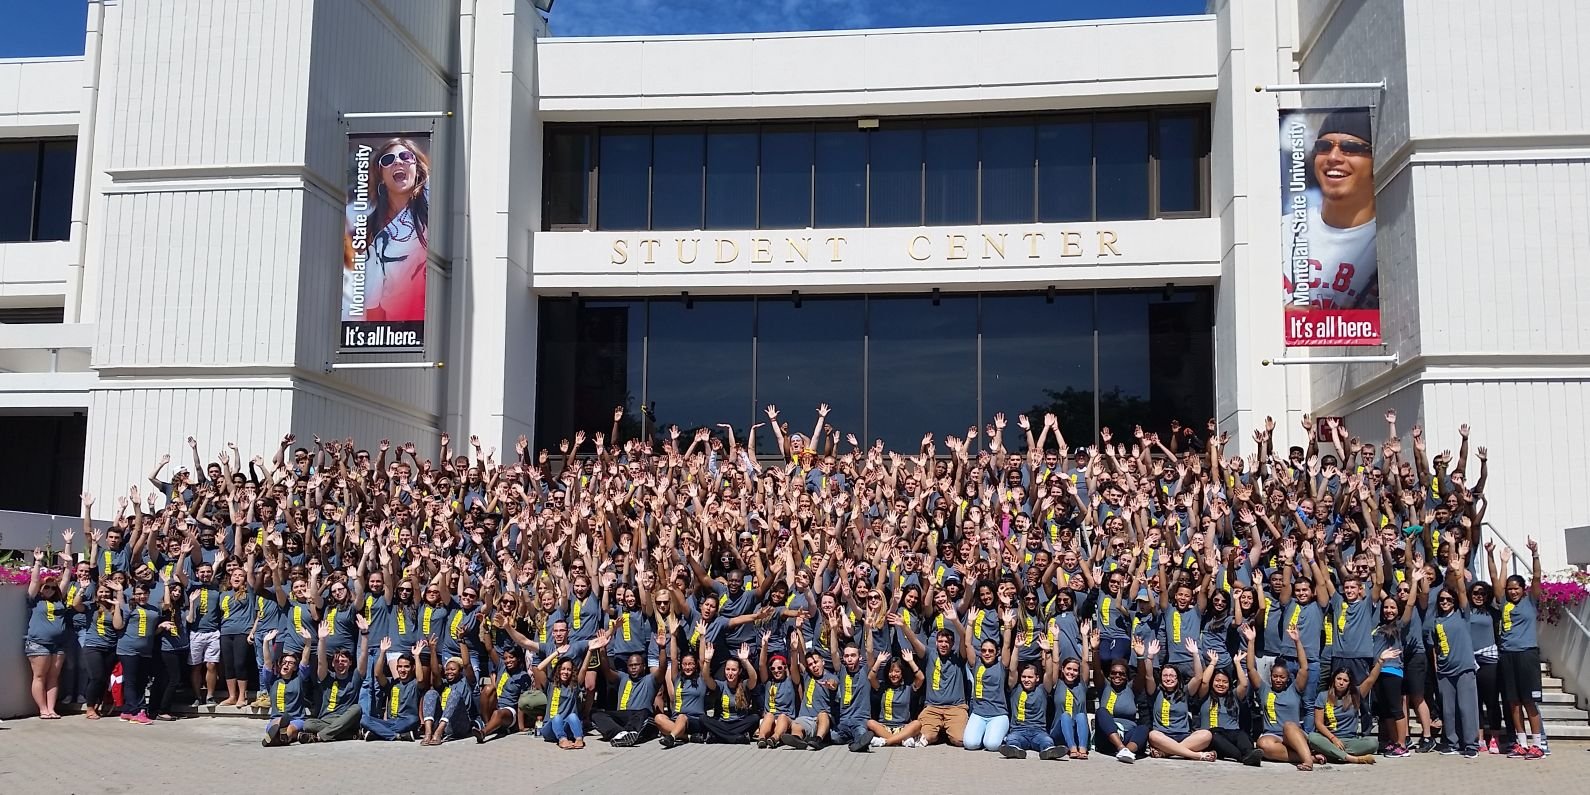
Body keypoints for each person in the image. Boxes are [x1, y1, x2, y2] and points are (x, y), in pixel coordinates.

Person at [1492, 536, 1547, 758]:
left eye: (1516, 589)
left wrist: (1535, 554)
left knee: (1528, 701)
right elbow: (1496, 581)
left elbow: (1536, 577)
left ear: (1523, 589)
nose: (1512, 592)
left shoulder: (1531, 601)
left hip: (1527, 655)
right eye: (1510, 589)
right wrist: (1501, 561)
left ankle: (1538, 745)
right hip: (1507, 655)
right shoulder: (1504, 603)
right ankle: (1521, 744)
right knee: (1513, 702)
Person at [1308, 648, 1399, 764]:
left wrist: (1380, 661)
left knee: (1373, 743)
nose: (1341, 682)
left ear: (1349, 683)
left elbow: (1370, 680)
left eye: (1345, 680)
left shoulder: (1356, 694)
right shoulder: (1323, 696)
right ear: (1334, 679)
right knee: (1312, 737)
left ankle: (1332, 754)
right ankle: (1350, 758)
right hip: (1329, 739)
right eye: (1339, 679)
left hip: (1350, 741)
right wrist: (1333, 738)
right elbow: (1319, 723)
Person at [1246, 624, 1314, 770]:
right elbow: (1251, 669)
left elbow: (1304, 668)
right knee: (1262, 744)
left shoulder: (1294, 689)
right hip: (1273, 737)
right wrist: (1251, 642)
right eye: (1275, 676)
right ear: (1270, 677)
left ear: (1287, 678)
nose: (1278, 679)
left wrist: (1297, 641)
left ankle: (1308, 761)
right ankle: (1307, 756)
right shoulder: (1264, 690)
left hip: (1294, 735)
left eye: (1282, 677)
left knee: (1288, 726)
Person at [301, 616, 368, 743]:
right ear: (332, 664)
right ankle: (347, 735)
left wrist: (364, 634)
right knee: (307, 724)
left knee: (357, 708)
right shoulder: (327, 677)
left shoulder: (354, 677)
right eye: (337, 661)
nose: (340, 664)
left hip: (345, 719)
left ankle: (320, 736)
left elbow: (363, 657)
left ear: (350, 663)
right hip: (326, 720)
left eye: (344, 661)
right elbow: (321, 662)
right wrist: (322, 640)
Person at [25, 547, 68, 719]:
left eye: (52, 587)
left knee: (53, 677)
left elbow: (65, 580)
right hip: (38, 644)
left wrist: (69, 563)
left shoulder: (59, 600)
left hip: (58, 644)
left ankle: (51, 709)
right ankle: (43, 709)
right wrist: (37, 562)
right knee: (40, 676)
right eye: (46, 587)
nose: (49, 589)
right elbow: (34, 581)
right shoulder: (34, 600)